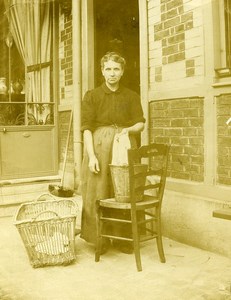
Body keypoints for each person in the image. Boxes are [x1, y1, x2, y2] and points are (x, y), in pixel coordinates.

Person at [80, 52, 145, 254]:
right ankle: (100, 239)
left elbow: (140, 123)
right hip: (99, 148)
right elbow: (87, 129)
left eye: (116, 69)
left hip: (125, 146)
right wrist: (91, 156)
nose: (112, 73)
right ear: (102, 71)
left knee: (123, 192)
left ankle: (124, 238)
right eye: (108, 69)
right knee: (98, 190)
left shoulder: (132, 96)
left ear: (122, 72)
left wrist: (128, 130)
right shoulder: (92, 96)